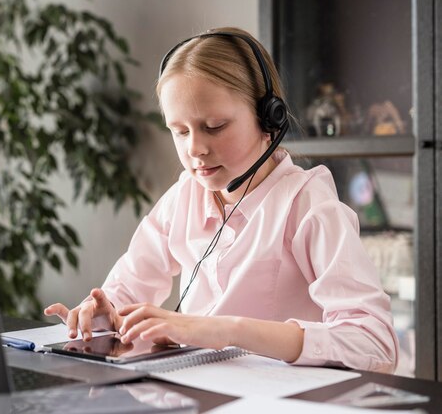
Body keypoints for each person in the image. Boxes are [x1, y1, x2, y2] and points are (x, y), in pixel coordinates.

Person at [44, 27, 398, 373]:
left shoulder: (307, 203)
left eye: (214, 126)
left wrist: (225, 330)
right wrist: (104, 313)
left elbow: (374, 343)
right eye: (179, 131)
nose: (195, 148)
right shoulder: (185, 196)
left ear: (268, 117)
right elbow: (126, 287)